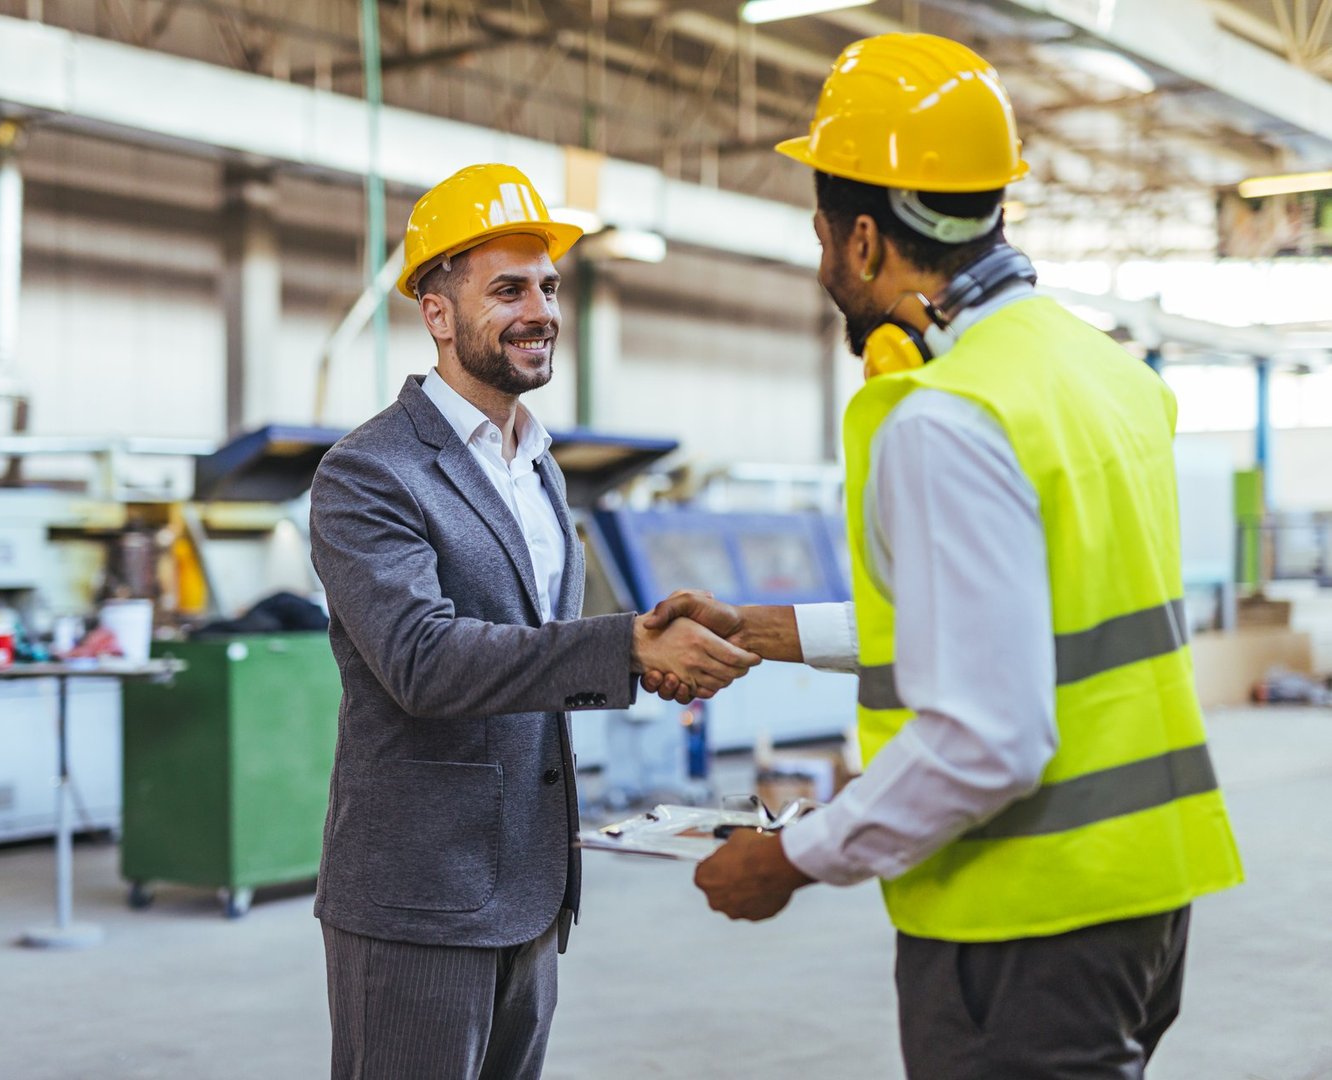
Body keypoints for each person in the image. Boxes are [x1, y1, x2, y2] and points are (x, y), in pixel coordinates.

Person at [644, 34, 1245, 1079]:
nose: (826, 264)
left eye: (825, 237)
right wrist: (768, 633)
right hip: (1146, 900)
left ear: (866, 240)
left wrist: (790, 858)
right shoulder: (1100, 371)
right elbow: (1022, 618)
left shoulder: (947, 415)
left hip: (1023, 924)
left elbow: (989, 736)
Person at [308, 162, 759, 1080]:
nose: (540, 310)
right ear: (438, 313)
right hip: (421, 897)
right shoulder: (370, 472)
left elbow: (543, 648)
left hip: (531, 885)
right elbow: (423, 661)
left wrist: (651, 650)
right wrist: (625, 647)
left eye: (548, 286)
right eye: (507, 288)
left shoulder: (539, 468)